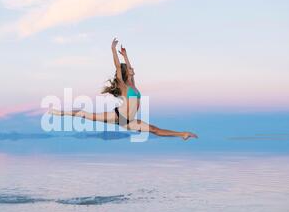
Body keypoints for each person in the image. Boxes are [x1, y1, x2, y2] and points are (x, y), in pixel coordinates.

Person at [50, 38, 198, 140]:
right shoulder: (123, 84)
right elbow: (117, 66)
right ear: (126, 73)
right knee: (84, 114)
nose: (132, 70)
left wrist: (126, 55)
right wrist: (113, 50)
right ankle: (58, 112)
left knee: (155, 130)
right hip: (116, 116)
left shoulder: (133, 84)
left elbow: (131, 69)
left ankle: (182, 134)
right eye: (129, 69)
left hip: (128, 121)